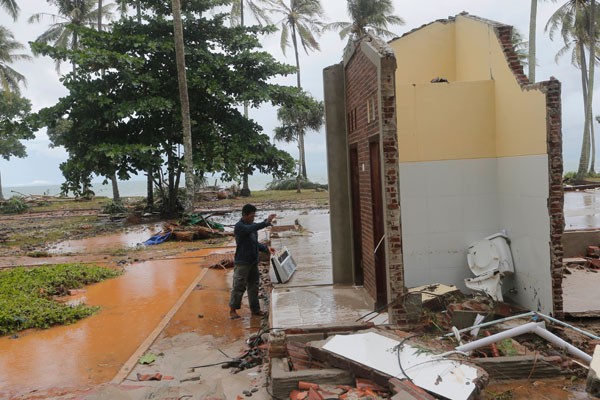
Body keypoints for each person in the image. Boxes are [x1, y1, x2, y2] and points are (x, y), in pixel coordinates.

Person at [229, 203, 276, 319]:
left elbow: (255, 243)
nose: (253, 219)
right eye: (251, 216)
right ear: (244, 215)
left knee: (254, 286)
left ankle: (255, 310)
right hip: (242, 262)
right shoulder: (240, 227)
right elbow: (252, 228)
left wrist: (267, 249)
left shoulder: (251, 226)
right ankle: (232, 310)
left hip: (253, 261)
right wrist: (266, 222)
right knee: (239, 286)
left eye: (254, 216)